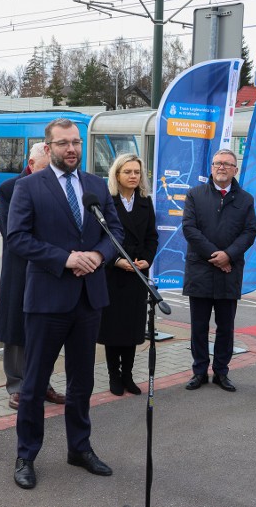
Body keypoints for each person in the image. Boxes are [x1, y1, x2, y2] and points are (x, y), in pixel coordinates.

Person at [7, 118, 124, 490]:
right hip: (47, 300)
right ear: (48, 147)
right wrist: (66, 259)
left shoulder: (94, 185)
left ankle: (80, 447)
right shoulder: (28, 187)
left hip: (89, 299)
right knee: (34, 383)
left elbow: (115, 232)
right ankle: (26, 454)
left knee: (82, 381)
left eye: (75, 142)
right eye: (63, 143)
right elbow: (18, 239)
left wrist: (97, 255)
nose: (71, 149)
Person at [0, 142, 65, 410]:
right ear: (32, 163)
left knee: (46, 330)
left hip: (50, 269)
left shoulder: (57, 186)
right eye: (45, 169)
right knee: (16, 331)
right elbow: (12, 232)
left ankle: (41, 383)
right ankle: (17, 386)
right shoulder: (9, 189)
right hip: (20, 270)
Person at [182, 149, 256, 393]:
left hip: (229, 272)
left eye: (227, 164)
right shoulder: (195, 194)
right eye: (217, 163)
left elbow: (249, 232)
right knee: (199, 326)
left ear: (236, 169)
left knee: (226, 327)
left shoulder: (245, 199)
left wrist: (229, 255)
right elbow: (190, 229)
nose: (221, 167)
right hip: (201, 271)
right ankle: (199, 371)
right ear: (211, 168)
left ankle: (221, 372)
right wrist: (216, 256)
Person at [98, 154, 158, 396]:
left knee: (132, 328)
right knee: (114, 328)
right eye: (128, 172)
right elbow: (100, 236)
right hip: (114, 274)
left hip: (137, 274)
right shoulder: (107, 201)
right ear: (117, 174)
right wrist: (115, 261)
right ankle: (114, 376)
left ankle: (128, 375)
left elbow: (151, 236)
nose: (134, 176)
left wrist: (147, 259)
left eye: (137, 172)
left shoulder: (145, 201)